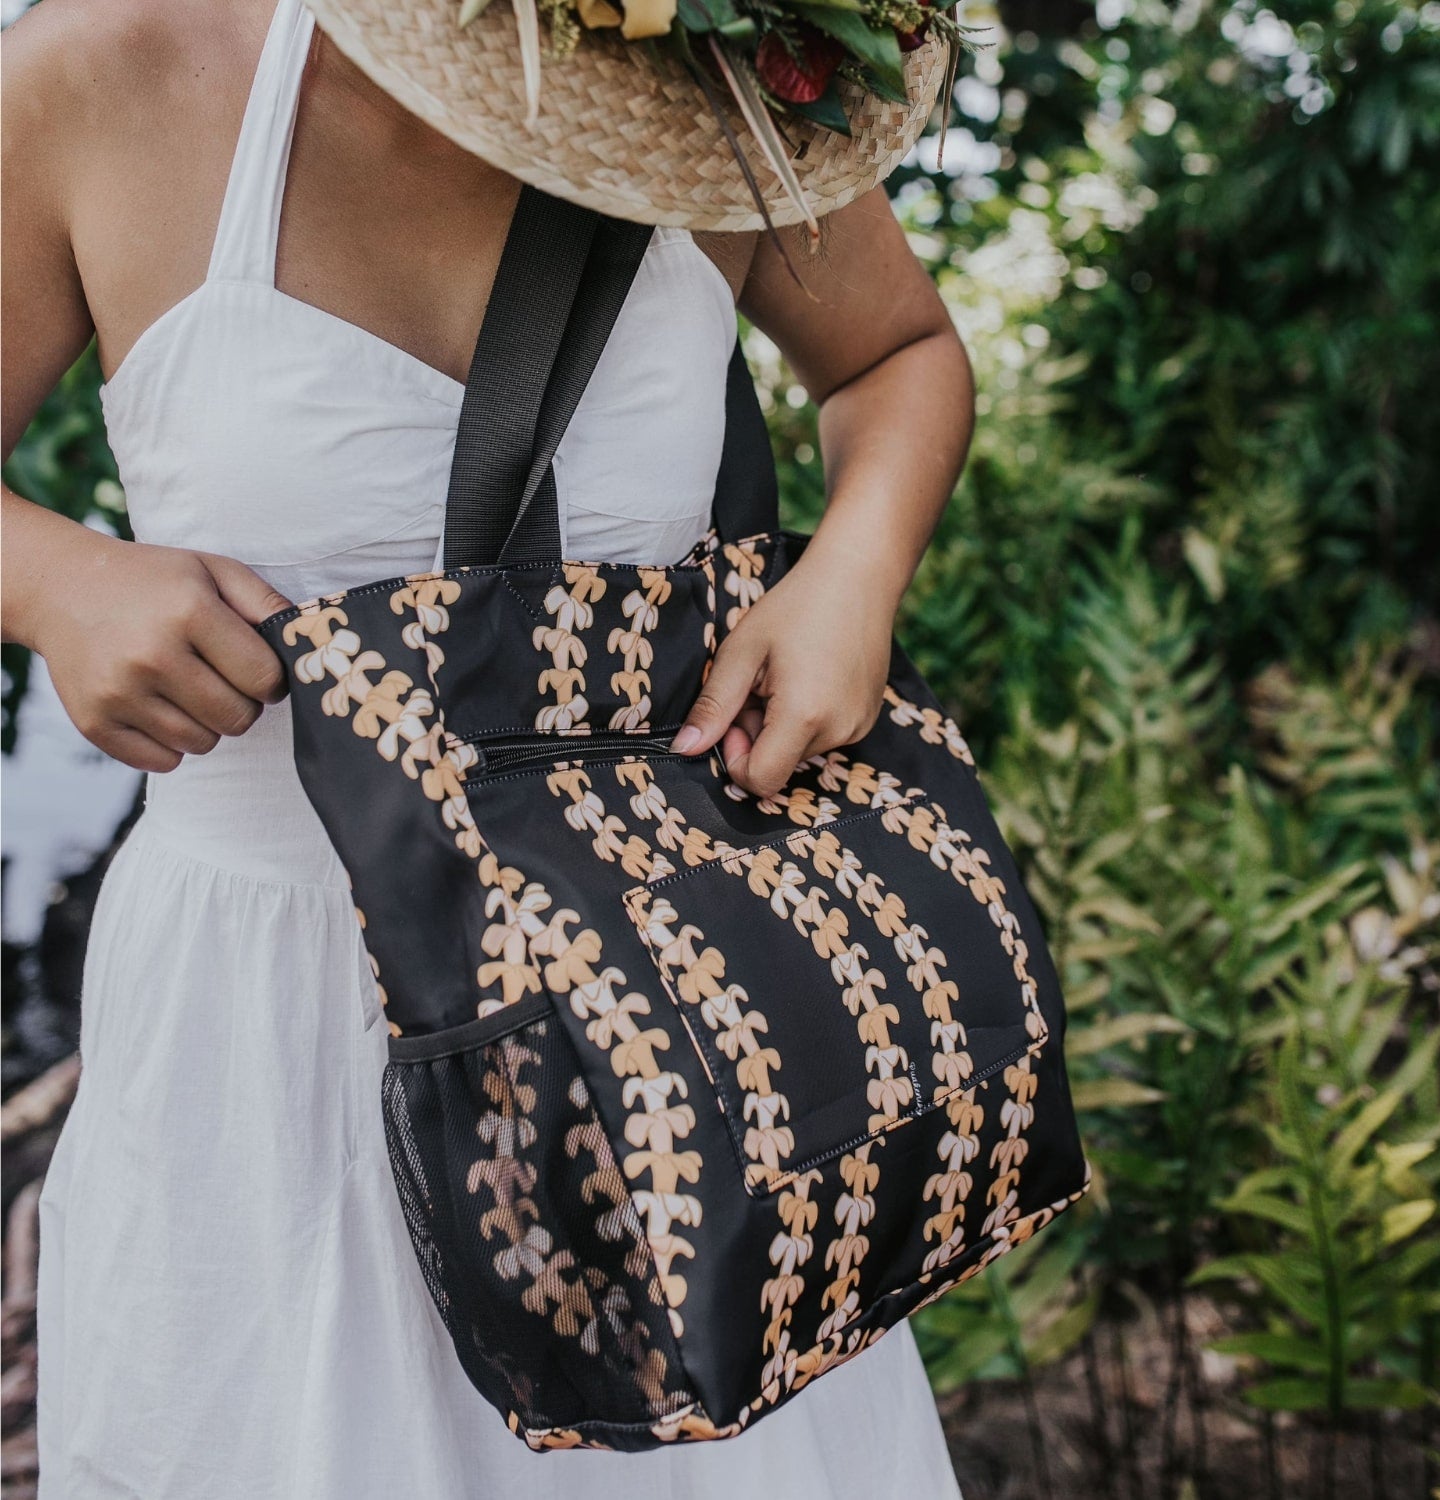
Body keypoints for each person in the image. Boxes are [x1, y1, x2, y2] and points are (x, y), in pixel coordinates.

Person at [1, 0, 976, 1492]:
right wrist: (56, 582)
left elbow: (896, 353)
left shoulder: (710, 80)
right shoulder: (107, 69)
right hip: (264, 1036)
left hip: (651, 1034)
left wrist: (848, 577)